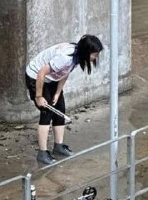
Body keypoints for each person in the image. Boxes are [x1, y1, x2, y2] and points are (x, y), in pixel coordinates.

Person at [25, 34, 103, 165]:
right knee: (47, 112)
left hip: (52, 78)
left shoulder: (76, 58)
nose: (96, 57)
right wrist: (38, 97)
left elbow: (64, 73)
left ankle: (58, 146)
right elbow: (41, 73)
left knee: (60, 109)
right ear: (86, 51)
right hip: (36, 76)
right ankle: (42, 153)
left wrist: (57, 92)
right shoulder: (65, 57)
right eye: (94, 54)